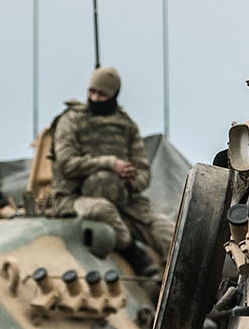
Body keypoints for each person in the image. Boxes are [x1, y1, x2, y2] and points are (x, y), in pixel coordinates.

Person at [46, 66, 169, 264]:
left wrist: (131, 177)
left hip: (125, 203)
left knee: (169, 233)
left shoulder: (126, 125)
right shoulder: (71, 120)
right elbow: (66, 164)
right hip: (74, 199)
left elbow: (144, 172)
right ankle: (135, 255)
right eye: (91, 92)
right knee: (102, 210)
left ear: (113, 95)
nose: (94, 98)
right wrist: (110, 163)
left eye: (102, 94)